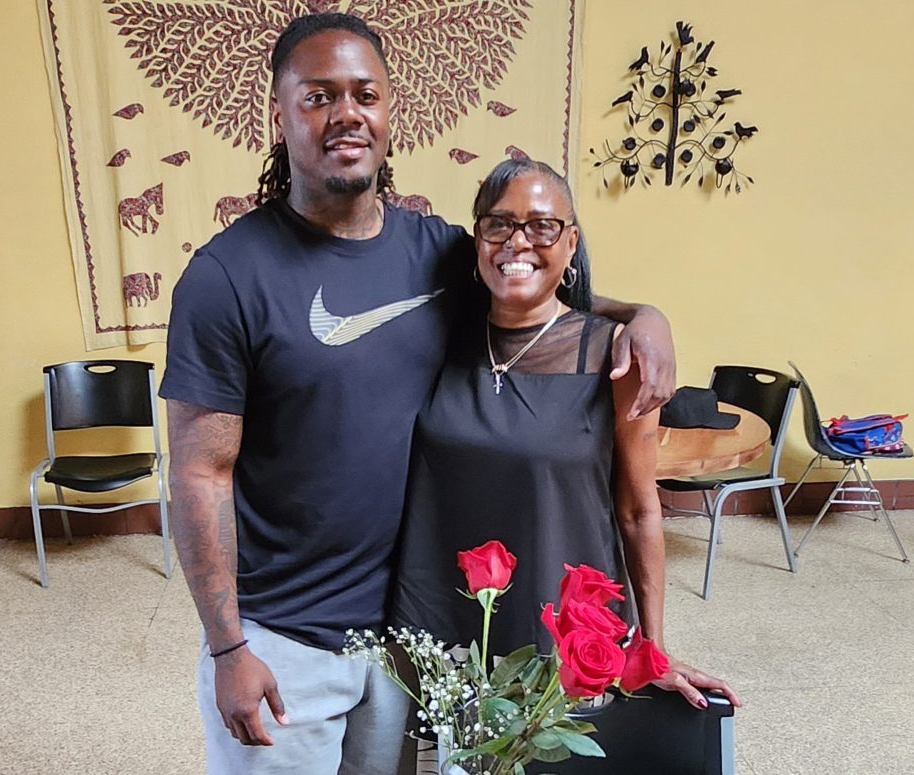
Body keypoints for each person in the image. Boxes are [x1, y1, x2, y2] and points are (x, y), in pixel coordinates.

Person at [160, 12, 677, 775]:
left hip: (404, 637)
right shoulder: (226, 276)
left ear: (389, 110)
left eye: (364, 93)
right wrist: (228, 644)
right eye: (318, 96)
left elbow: (527, 280)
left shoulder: (435, 250)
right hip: (283, 638)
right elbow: (199, 473)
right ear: (279, 114)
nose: (346, 113)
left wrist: (643, 316)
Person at [392, 158, 742, 711]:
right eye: (499, 224)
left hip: (563, 628)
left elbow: (639, 510)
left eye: (541, 226)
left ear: (571, 241)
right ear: (478, 236)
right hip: (442, 613)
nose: (517, 242)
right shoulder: (439, 336)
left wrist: (653, 648)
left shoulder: (616, 355)